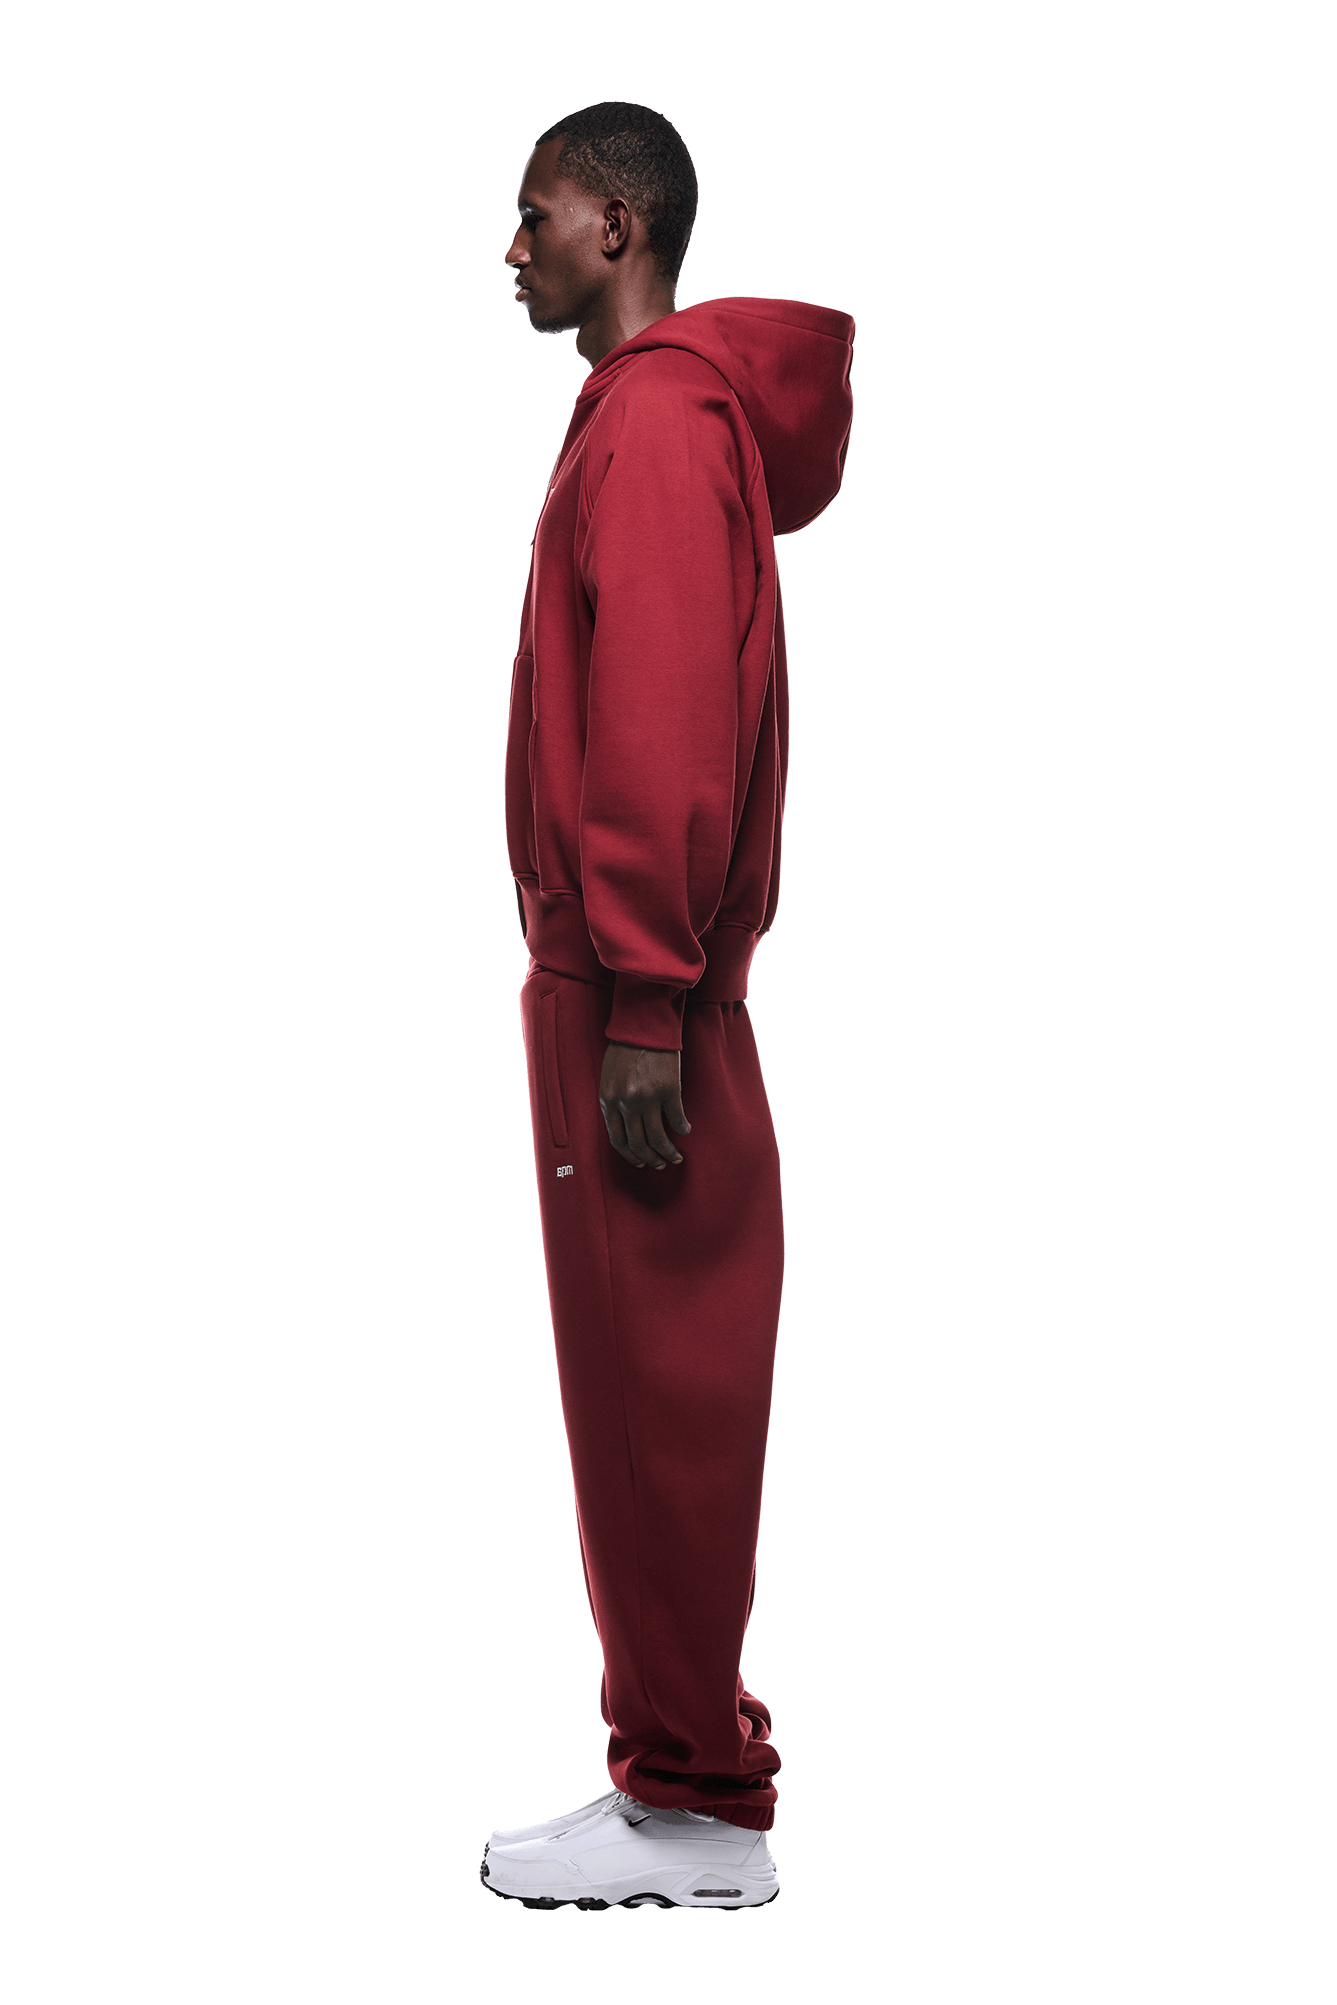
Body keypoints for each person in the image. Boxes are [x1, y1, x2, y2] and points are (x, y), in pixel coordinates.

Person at [480, 101, 854, 1914]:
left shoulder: (649, 427)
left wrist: (638, 995)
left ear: (618, 225)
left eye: (537, 213)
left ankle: (692, 1811)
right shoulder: (671, 420)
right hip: (641, 981)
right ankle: (677, 1779)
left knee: (655, 1407)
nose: (514, 247)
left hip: (635, 995)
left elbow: (659, 718)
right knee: (657, 1399)